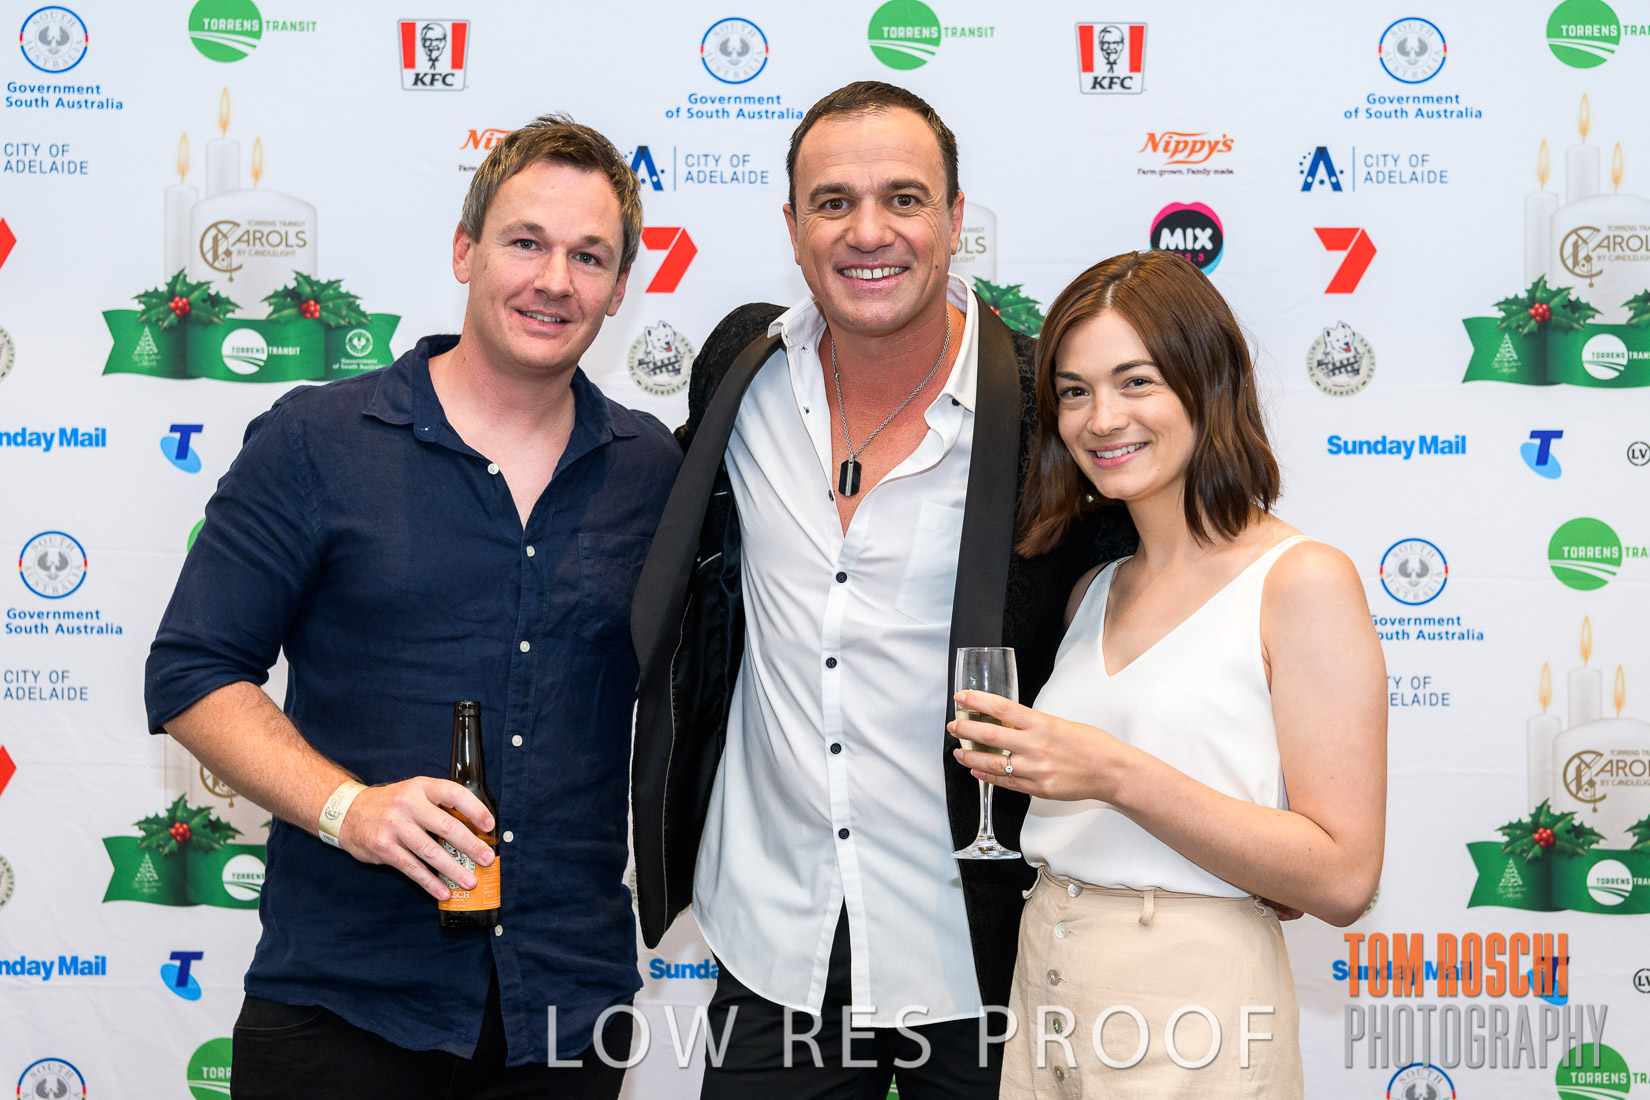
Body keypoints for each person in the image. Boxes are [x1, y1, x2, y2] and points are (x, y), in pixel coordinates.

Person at [144, 114, 680, 1099]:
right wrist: (350, 809)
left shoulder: (653, 471)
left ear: (617, 287)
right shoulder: (318, 440)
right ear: (465, 250)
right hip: (344, 1005)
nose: (554, 280)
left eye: (589, 256)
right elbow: (191, 672)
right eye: (526, 242)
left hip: (566, 1012)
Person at [629, 82, 1136, 1098]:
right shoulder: (741, 371)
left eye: (904, 198)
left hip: (979, 946)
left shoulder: (1049, 410)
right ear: (792, 227)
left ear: (955, 217)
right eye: (834, 202)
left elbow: (1163, 587)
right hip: (772, 940)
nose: (869, 232)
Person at [950, 250, 1387, 1097]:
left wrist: (1115, 772)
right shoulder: (1093, 588)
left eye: (1136, 382)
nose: (1102, 419)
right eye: (1074, 391)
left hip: (1196, 1007)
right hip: (1048, 981)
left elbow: (1341, 879)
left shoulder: (1300, 579)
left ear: (1207, 383)